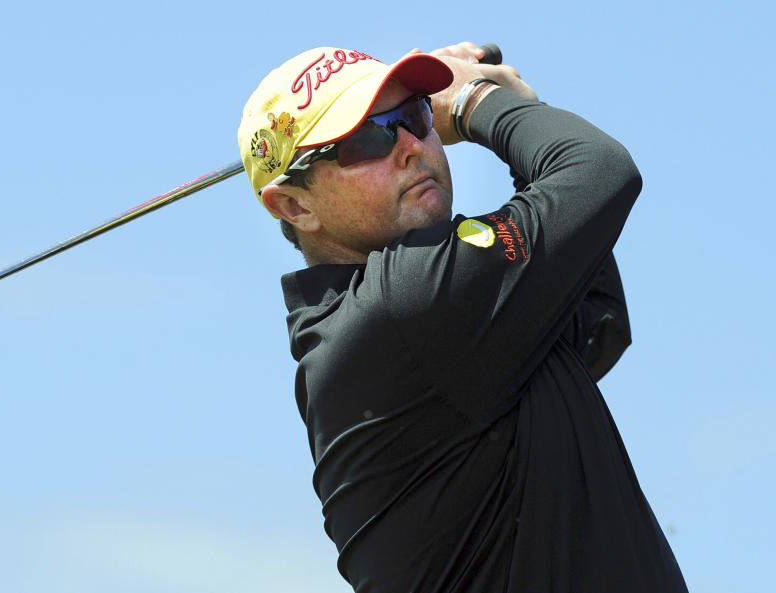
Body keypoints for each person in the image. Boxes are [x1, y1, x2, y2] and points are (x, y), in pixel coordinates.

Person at [237, 43, 688, 593]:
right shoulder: (403, 306)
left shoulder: (432, 318)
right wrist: (476, 101)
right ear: (295, 207)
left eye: (415, 115)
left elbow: (596, 325)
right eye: (365, 138)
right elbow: (598, 169)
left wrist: (510, 108)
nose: (410, 147)